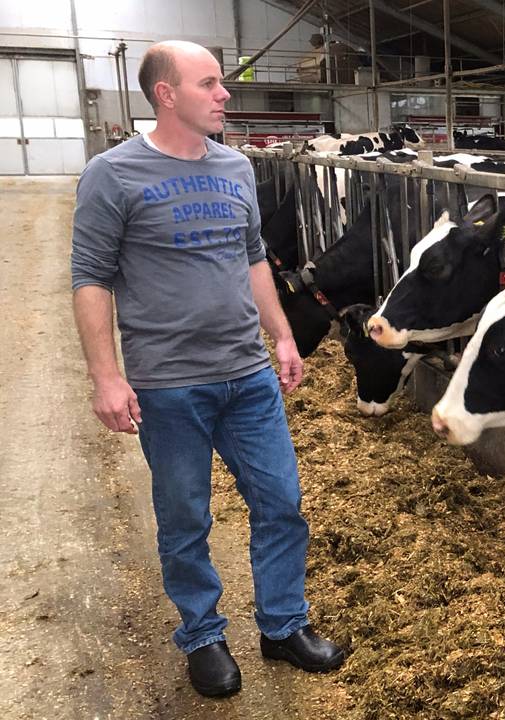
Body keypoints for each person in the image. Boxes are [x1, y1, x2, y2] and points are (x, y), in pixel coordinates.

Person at [70, 40, 345, 698]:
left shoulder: (236, 168)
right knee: (186, 515)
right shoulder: (113, 174)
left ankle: (282, 626)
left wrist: (281, 337)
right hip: (169, 384)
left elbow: (253, 260)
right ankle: (202, 634)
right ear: (166, 94)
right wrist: (107, 377)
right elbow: (90, 280)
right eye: (210, 83)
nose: (225, 95)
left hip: (247, 376)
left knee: (282, 503)